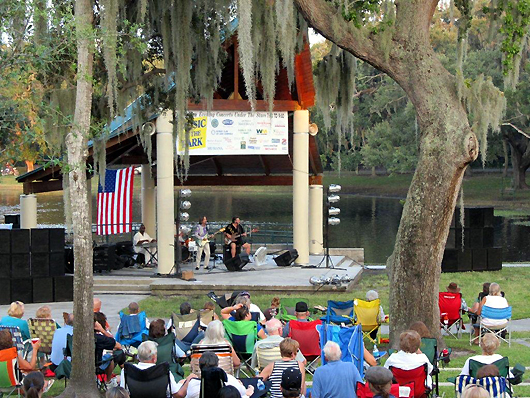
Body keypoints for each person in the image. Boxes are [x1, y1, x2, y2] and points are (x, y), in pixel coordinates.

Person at [120, 341, 192, 398]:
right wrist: (189, 380)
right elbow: (178, 395)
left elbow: (123, 394)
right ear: (154, 358)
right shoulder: (163, 371)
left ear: (138, 357)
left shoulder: (127, 371)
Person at [183, 352, 254, 398]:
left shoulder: (193, 385)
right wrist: (247, 392)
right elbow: (242, 392)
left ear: (200, 366)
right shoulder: (229, 380)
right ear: (217, 364)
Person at [95, 312, 123, 379]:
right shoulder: (100, 338)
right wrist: (103, 331)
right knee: (117, 354)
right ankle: (108, 380)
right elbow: (117, 345)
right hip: (98, 365)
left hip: (81, 365)